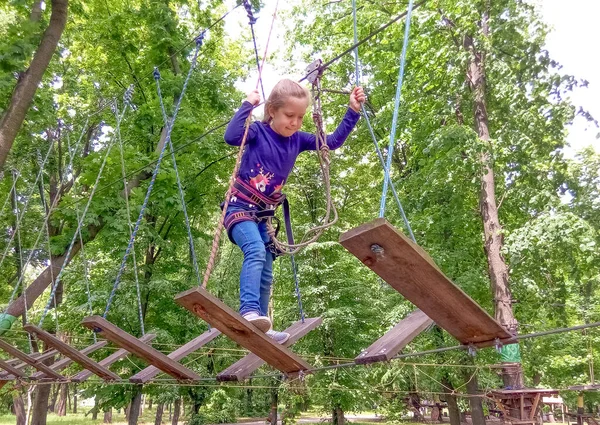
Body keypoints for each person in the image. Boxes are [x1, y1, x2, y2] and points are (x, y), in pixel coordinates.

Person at [223, 79, 365, 343]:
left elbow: (330, 142)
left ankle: (261, 323)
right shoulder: (257, 132)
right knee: (254, 250)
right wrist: (247, 104)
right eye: (289, 116)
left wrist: (352, 111)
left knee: (266, 266)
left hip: (263, 214)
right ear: (272, 111)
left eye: (300, 117)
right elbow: (231, 136)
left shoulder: (298, 140)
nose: (296, 123)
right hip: (239, 207)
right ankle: (249, 311)